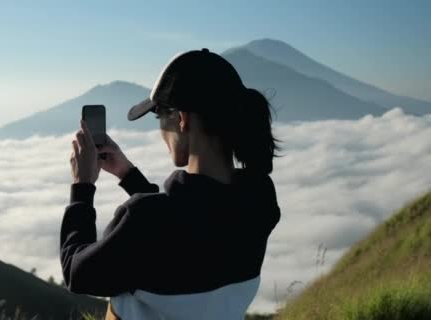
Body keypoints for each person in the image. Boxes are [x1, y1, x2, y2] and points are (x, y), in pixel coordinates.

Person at [62, 48, 282, 320]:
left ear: (182, 119)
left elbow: (77, 274)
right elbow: (189, 223)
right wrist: (128, 175)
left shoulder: (144, 219)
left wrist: (82, 187)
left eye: (159, 117)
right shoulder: (259, 201)